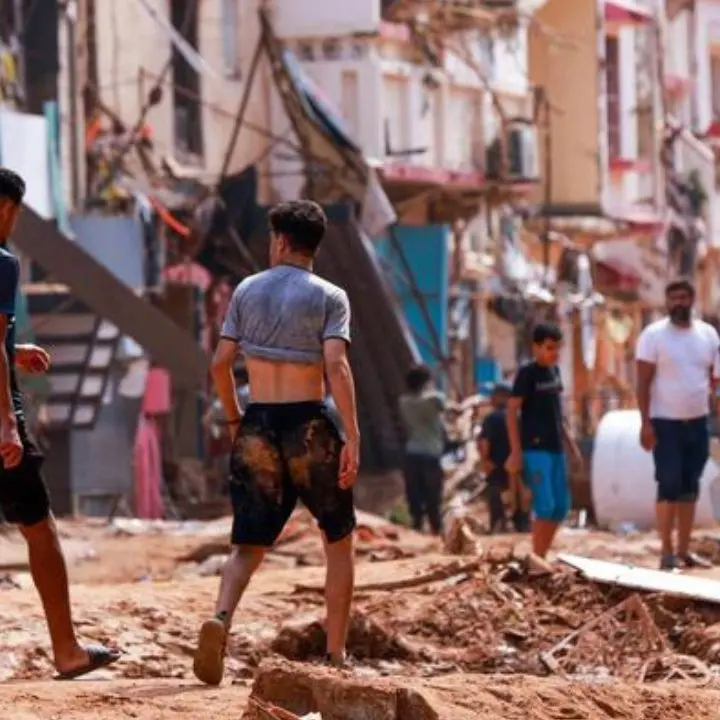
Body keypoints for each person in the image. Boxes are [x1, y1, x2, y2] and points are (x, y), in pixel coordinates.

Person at [193, 200, 359, 685]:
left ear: (282, 240)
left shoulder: (247, 290)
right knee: (338, 539)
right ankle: (335, 655)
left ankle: (220, 619)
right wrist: (350, 433)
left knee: (248, 542)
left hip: (259, 422)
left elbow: (220, 364)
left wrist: (232, 418)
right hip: (310, 423)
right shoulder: (331, 297)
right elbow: (337, 366)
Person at [0, 168, 120, 679]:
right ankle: (67, 649)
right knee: (39, 527)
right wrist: (6, 421)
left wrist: (14, 350)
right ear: (9, 209)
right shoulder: (2, 263)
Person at [635, 278, 718, 571]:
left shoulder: (708, 335)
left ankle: (684, 551)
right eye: (673, 298)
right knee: (667, 486)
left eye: (683, 297)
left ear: (692, 300)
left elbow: (715, 383)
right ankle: (666, 552)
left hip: (697, 423)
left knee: (690, 487)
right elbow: (643, 382)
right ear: (667, 302)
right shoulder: (653, 335)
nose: (678, 303)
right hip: (664, 423)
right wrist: (645, 423)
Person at [506, 323, 582, 558]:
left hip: (556, 448)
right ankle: (536, 559)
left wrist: (572, 446)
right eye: (549, 348)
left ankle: (542, 555)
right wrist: (516, 450)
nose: (554, 353)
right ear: (536, 347)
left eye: (557, 348)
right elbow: (512, 412)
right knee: (545, 505)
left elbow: (558, 414)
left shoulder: (555, 372)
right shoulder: (527, 374)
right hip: (535, 449)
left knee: (560, 508)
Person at [398, 365, 447, 535]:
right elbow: (444, 405)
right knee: (433, 494)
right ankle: (436, 528)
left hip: (412, 452)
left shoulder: (403, 402)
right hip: (431, 453)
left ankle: (417, 526)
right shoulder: (434, 399)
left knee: (415, 493)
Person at [478, 382, 530, 534]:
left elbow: (484, 442)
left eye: (494, 396)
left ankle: (498, 525)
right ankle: (522, 524)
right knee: (521, 497)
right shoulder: (521, 417)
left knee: (496, 496)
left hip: (497, 465)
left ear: (502, 397)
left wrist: (484, 461)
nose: (491, 399)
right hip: (519, 465)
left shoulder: (492, 418)